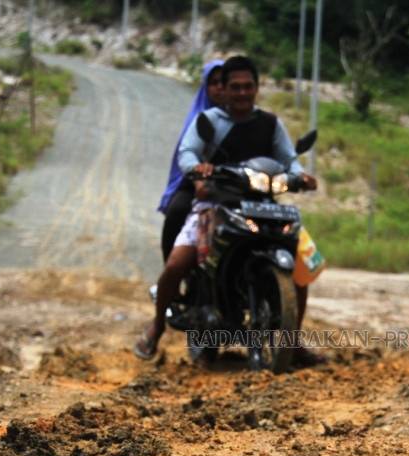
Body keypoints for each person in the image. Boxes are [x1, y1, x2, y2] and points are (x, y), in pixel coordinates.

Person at [134, 55, 323, 366]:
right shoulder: (209, 121)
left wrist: (300, 176)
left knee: (302, 269)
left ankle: (293, 341)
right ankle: (157, 327)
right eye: (235, 87)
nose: (242, 93)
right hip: (216, 205)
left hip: (264, 206)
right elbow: (187, 152)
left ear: (257, 88)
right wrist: (198, 168)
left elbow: (289, 160)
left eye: (248, 86)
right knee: (176, 265)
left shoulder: (270, 124)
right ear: (225, 89)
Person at [156, 59, 226, 265]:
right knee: (177, 212)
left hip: (237, 183)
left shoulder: (245, 116)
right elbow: (186, 153)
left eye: (224, 82)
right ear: (206, 87)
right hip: (198, 181)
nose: (220, 87)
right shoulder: (198, 118)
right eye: (214, 83)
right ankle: (171, 270)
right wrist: (197, 172)